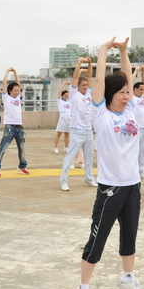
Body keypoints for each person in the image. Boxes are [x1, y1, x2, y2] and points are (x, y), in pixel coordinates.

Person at [79, 37, 144, 289]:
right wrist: (105, 50)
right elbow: (99, 80)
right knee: (98, 239)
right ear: (110, 94)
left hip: (132, 185)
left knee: (129, 236)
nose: (127, 95)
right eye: (122, 92)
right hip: (110, 188)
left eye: (128, 91)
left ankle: (128, 279)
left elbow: (128, 75)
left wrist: (124, 51)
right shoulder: (100, 114)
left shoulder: (130, 109)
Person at [59, 57, 98, 191]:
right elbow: (76, 76)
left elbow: (90, 76)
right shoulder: (74, 93)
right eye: (83, 85)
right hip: (77, 130)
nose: (86, 87)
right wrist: (80, 62)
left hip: (88, 130)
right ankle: (63, 181)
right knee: (70, 157)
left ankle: (89, 178)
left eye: (86, 85)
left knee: (89, 157)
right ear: (78, 86)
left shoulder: (88, 93)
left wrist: (90, 63)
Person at [0, 67, 29, 176]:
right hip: (10, 127)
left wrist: (15, 72)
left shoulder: (18, 98)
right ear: (10, 91)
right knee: (3, 148)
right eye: (15, 90)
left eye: (18, 90)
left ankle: (22, 166)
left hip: (19, 127)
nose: (17, 92)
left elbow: (18, 82)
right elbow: (4, 83)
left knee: (21, 148)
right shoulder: (6, 97)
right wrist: (8, 72)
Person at [132, 67, 144, 177]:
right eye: (140, 89)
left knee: (142, 151)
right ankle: (133, 170)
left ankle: (141, 170)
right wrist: (136, 71)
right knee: (134, 151)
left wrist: (143, 72)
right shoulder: (132, 98)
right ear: (135, 89)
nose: (143, 91)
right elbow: (131, 81)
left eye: (143, 90)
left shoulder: (143, 98)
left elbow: (143, 82)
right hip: (136, 128)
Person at [54, 83, 71, 154]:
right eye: (65, 95)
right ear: (62, 95)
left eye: (67, 95)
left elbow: (70, 91)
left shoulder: (69, 100)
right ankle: (56, 147)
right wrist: (64, 84)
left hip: (69, 118)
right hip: (63, 117)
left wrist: (70, 86)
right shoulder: (60, 100)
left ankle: (66, 147)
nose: (66, 96)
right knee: (59, 133)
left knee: (67, 133)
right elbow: (59, 92)